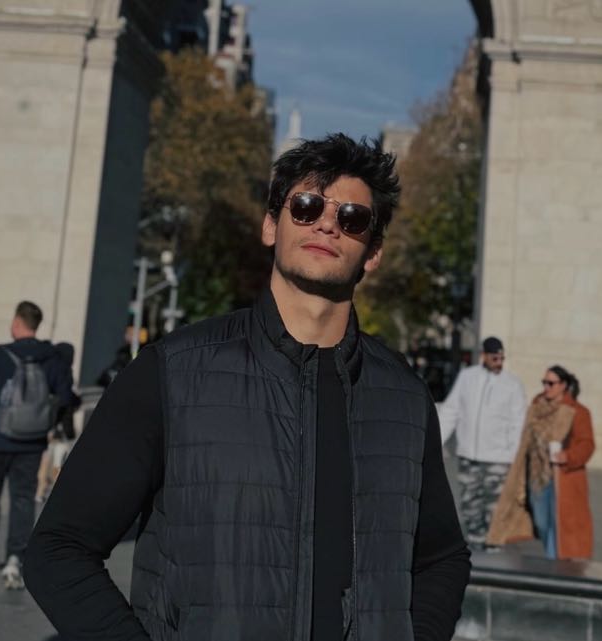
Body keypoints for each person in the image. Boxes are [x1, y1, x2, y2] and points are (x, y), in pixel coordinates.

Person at [24, 134, 470, 641]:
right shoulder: (171, 372)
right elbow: (57, 550)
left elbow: (443, 558)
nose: (327, 224)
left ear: (373, 253)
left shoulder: (404, 397)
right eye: (306, 206)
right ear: (270, 225)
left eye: (352, 218)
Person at [0, 301, 73, 588]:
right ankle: (15, 557)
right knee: (23, 498)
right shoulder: (52, 358)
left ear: (17, 323)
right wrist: (45, 424)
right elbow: (65, 397)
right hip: (31, 442)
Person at [487, 366, 595, 560]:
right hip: (536, 477)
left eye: (551, 383)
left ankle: (555, 564)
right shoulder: (536, 407)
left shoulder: (577, 412)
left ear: (563, 385)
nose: (546, 387)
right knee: (541, 523)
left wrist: (567, 456)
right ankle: (553, 557)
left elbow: (587, 444)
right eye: (544, 382)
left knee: (558, 525)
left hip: (563, 479)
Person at [438, 336, 527, 550]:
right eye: (495, 357)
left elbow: (518, 423)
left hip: (498, 458)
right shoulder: (467, 377)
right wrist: (436, 440)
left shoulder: (512, 384)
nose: (499, 362)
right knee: (470, 504)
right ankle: (476, 547)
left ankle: (493, 546)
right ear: (484, 356)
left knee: (494, 506)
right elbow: (451, 411)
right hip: (469, 455)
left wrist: (513, 456)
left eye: (502, 358)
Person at [35, 343, 81, 503]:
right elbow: (66, 400)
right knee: (58, 460)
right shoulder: (64, 371)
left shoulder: (44, 367)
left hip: (43, 422)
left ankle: (39, 491)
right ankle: (55, 494)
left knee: (45, 457)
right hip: (59, 424)